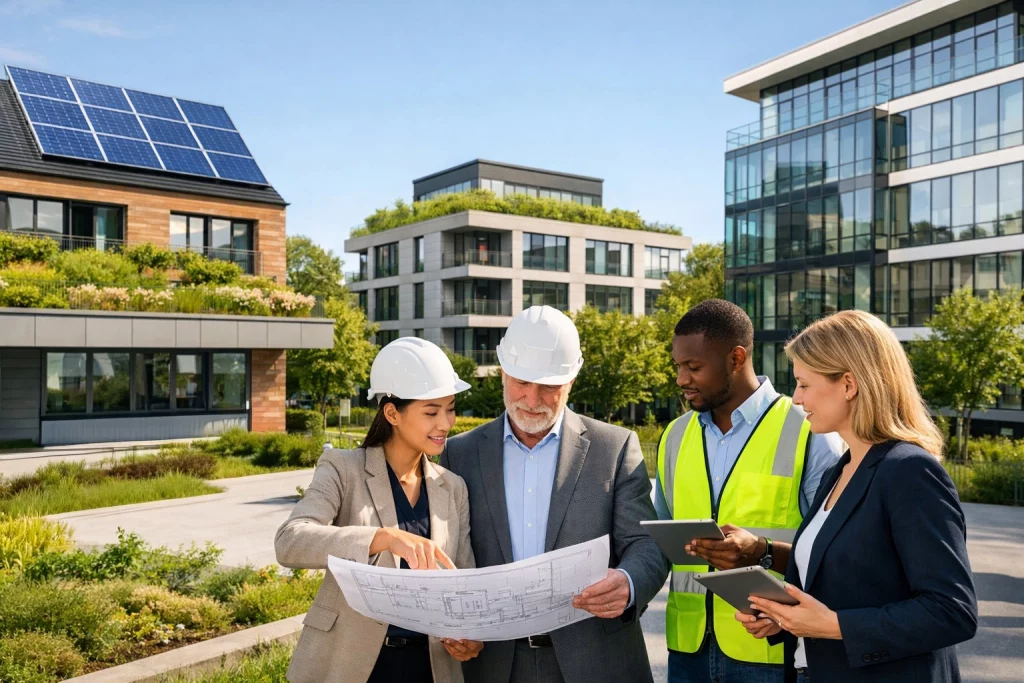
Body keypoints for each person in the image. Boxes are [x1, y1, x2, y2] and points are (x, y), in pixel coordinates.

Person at [735, 310, 977, 682]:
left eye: (804, 384)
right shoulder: (842, 469)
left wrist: (834, 625)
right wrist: (784, 619)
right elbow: (841, 587)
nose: (796, 399)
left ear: (849, 384)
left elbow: (952, 611)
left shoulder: (910, 471)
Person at [441, 305, 669, 683]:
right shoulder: (458, 454)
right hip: (494, 664)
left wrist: (628, 583)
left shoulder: (614, 448)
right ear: (502, 372)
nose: (532, 400)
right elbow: (445, 558)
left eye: (548, 386)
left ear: (572, 380)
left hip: (597, 662)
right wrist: (450, 625)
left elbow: (646, 544)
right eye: (521, 383)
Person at [655, 299, 844, 683]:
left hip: (771, 648)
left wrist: (760, 553)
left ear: (736, 358)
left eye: (693, 367)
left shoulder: (809, 430)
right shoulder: (675, 437)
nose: (681, 379)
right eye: (678, 366)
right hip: (686, 648)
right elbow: (658, 540)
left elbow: (837, 557)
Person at [276, 337, 483, 683]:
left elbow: (462, 582)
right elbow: (290, 541)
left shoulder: (453, 487)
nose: (445, 423)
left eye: (450, 408)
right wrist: (382, 538)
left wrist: (470, 637)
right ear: (392, 413)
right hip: (351, 664)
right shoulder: (343, 468)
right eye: (431, 412)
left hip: (430, 668)